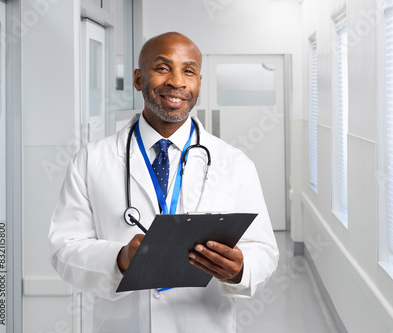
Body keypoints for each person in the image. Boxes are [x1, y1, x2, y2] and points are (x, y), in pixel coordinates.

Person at [48, 32, 279, 333]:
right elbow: (64, 249)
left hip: (203, 323)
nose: (177, 82)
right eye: (162, 68)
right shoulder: (92, 160)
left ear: (198, 84)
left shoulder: (234, 164)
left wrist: (240, 269)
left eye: (189, 71)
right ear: (138, 79)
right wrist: (119, 259)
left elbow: (264, 249)